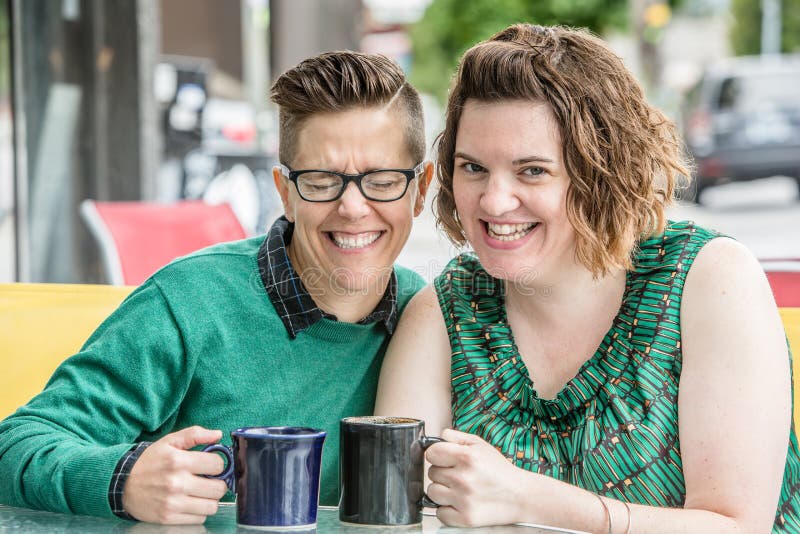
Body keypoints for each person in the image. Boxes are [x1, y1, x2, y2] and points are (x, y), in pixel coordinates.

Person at [376, 24, 800, 533]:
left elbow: (737, 526)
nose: (492, 201)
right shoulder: (446, 311)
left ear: (601, 173)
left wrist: (529, 500)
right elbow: (392, 515)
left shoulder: (708, 279)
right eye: (473, 168)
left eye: (532, 171)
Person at [0, 51, 431, 524]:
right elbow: (17, 444)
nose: (352, 207)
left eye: (383, 181)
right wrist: (122, 479)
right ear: (285, 193)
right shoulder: (189, 301)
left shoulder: (427, 316)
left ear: (420, 190)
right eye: (321, 180)